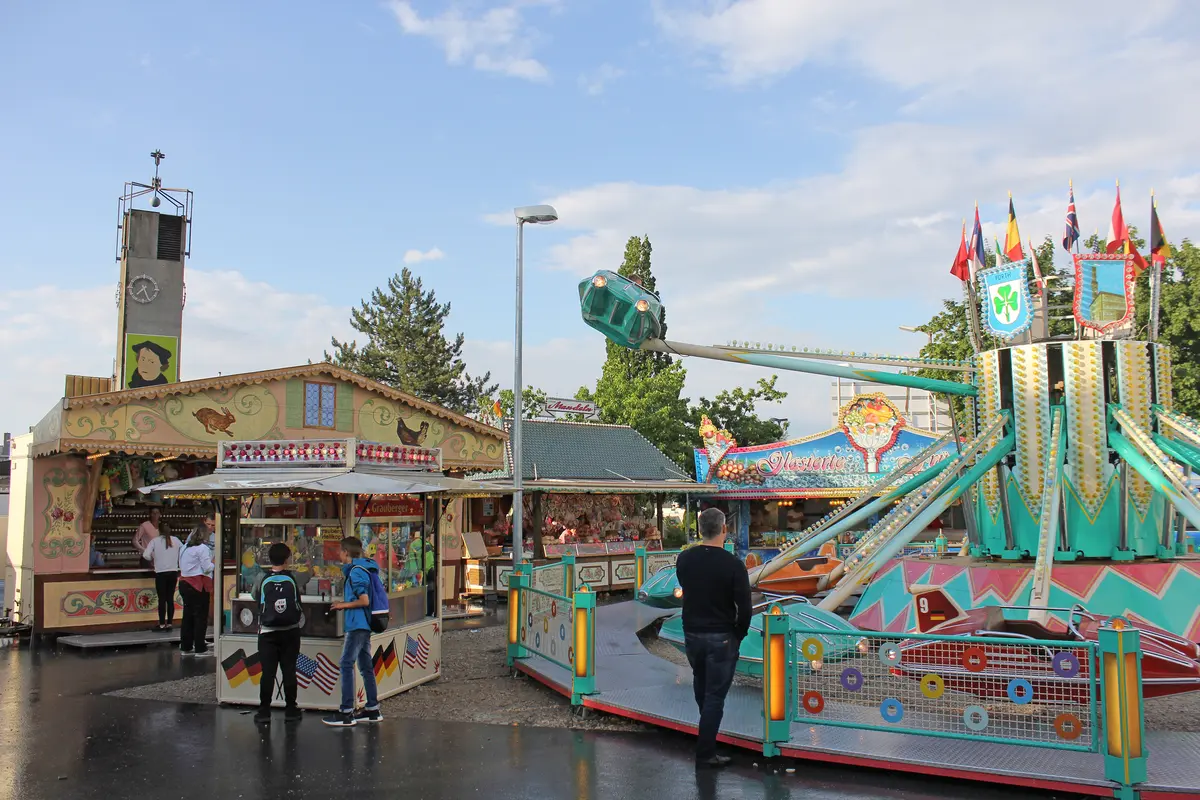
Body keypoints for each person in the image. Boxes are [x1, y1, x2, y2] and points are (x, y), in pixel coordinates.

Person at [674, 507, 752, 768]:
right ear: (724, 530)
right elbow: (745, 607)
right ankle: (705, 752)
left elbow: (687, 589)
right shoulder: (733, 565)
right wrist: (739, 633)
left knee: (701, 682)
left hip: (693, 632)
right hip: (722, 635)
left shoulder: (685, 560)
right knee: (716, 695)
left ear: (700, 530)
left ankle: (706, 732)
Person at [323, 537, 382, 727]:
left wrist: (343, 605)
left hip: (357, 624)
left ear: (346, 552)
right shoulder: (365, 568)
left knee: (346, 663)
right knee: (365, 666)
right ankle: (372, 709)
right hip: (363, 624)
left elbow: (364, 600)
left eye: (340, 551)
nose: (339, 555)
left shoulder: (356, 573)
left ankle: (346, 711)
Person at [251, 542, 303, 725]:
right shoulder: (293, 577)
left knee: (268, 673)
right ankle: (291, 709)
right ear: (287, 559)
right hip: (290, 631)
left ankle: (264, 710)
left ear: (269, 559)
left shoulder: (261, 578)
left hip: (267, 632)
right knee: (289, 670)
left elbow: (254, 596)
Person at [178, 520, 216, 657]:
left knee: (187, 616)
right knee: (200, 616)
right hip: (197, 585)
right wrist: (214, 564)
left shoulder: (184, 548)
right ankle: (200, 647)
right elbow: (207, 568)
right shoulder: (203, 549)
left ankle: (186, 646)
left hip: (184, 583)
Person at [143, 521, 182, 631]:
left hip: (160, 573)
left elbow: (146, 555)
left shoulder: (154, 541)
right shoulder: (176, 540)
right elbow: (184, 551)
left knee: (162, 599)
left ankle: (161, 624)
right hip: (173, 573)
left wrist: (153, 558)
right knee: (170, 599)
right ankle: (169, 623)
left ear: (158, 530)